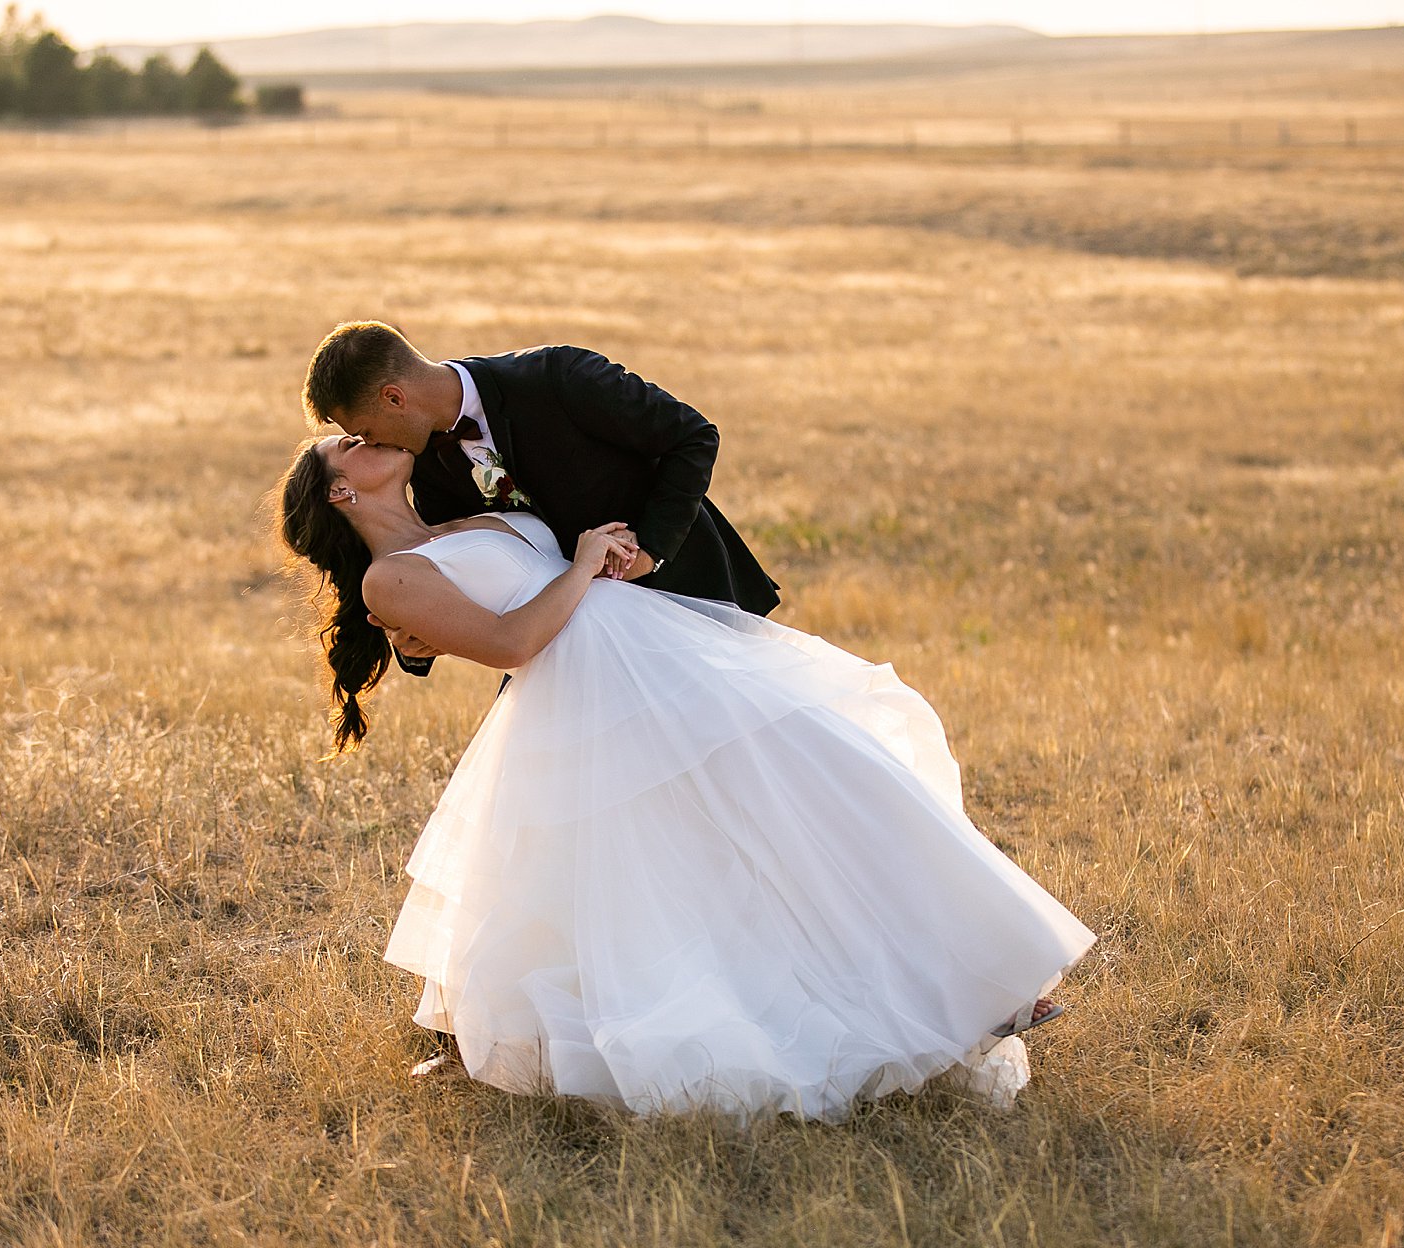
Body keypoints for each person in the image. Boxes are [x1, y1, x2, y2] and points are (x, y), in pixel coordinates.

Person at [274, 434, 1096, 1123]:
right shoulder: (391, 577)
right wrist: (582, 561)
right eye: (343, 443)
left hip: (664, 657)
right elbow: (513, 642)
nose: (363, 433)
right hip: (589, 699)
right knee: (666, 876)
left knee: (830, 777)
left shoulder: (464, 511)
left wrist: (609, 548)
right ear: (341, 489)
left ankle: (981, 977)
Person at [300, 321, 778, 675]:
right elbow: (458, 579)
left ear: (394, 398)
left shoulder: (557, 376)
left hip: (688, 595)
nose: (375, 443)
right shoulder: (424, 461)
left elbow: (692, 437)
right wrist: (416, 638)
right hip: (574, 654)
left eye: (365, 431)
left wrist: (649, 552)